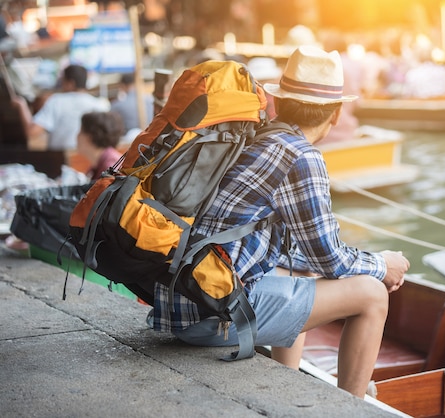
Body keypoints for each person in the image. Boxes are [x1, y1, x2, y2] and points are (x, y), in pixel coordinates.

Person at [151, 46, 410, 398]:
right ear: (335, 114)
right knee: (372, 294)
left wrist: (367, 264)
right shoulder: (300, 155)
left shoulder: (256, 137)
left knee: (303, 272)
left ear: (280, 101)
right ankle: (353, 404)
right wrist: (383, 265)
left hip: (182, 301)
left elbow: (306, 258)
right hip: (212, 314)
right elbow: (330, 259)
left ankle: (284, 384)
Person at [25, 64, 110, 151]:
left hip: (60, 158)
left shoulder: (56, 101)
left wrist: (22, 106)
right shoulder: (98, 105)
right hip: (87, 158)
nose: (61, 84)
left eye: (62, 81)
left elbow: (32, 131)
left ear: (70, 83)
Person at [76, 111, 124, 180]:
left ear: (89, 137)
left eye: (80, 131)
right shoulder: (98, 164)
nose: (77, 136)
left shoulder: (111, 167)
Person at [110, 72, 154, 139]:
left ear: (122, 86)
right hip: (150, 138)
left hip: (130, 142)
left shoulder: (117, 105)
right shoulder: (151, 100)